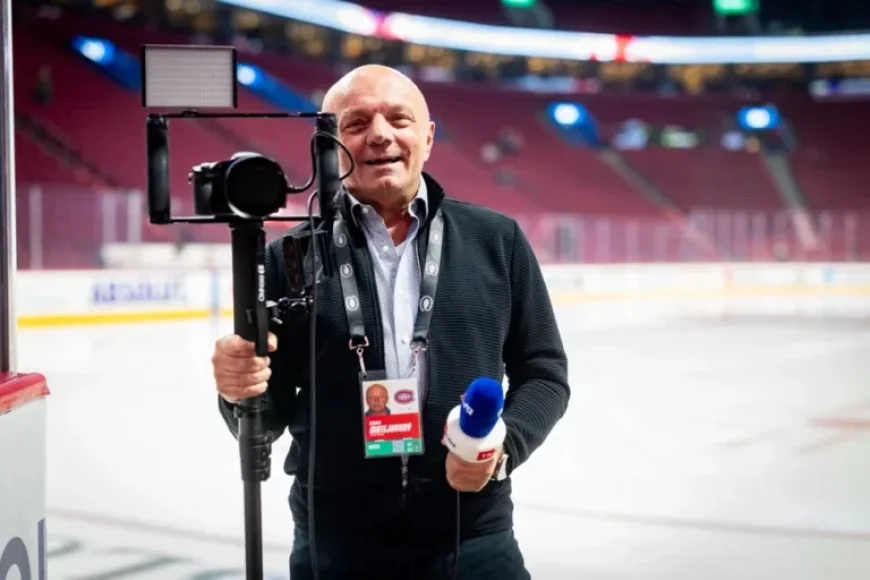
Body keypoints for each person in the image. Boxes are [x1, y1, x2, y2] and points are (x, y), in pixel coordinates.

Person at [211, 64, 570, 579]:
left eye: (399, 119)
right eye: (356, 123)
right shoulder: (289, 257)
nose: (380, 134)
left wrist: (500, 449)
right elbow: (264, 418)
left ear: (428, 138)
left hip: (471, 534)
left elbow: (544, 372)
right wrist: (238, 390)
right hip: (336, 542)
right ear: (329, 147)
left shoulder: (497, 241)